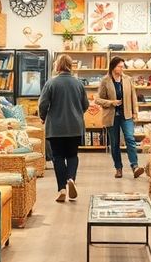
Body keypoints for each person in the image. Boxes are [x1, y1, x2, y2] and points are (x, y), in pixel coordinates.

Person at [39, 54, 89, 202]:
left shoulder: (51, 83)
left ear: (58, 65)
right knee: (72, 155)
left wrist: (43, 116)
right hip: (75, 126)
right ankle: (71, 179)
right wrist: (77, 114)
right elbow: (85, 105)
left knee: (58, 157)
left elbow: (43, 104)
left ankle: (62, 189)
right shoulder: (79, 84)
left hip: (56, 128)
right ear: (70, 66)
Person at [95, 57, 144, 179]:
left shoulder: (127, 79)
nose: (122, 69)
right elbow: (98, 99)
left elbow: (133, 96)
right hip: (111, 117)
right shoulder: (105, 81)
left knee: (130, 139)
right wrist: (111, 102)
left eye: (123, 66)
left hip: (126, 115)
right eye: (120, 66)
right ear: (113, 67)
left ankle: (135, 166)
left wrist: (135, 112)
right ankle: (118, 168)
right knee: (115, 143)